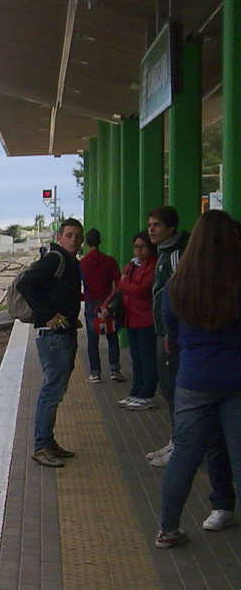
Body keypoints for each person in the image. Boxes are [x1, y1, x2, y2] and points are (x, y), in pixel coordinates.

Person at [154, 210, 241, 547]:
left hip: (193, 380)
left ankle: (168, 529)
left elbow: (170, 333)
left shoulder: (178, 284)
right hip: (236, 380)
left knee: (185, 457)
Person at [17, 218, 84, 468]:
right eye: (69, 235)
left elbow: (59, 293)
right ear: (59, 236)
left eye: (78, 236)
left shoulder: (68, 261)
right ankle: (41, 445)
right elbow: (26, 283)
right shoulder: (55, 259)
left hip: (62, 334)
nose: (74, 240)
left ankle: (48, 442)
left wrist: (68, 316)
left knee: (55, 391)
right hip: (53, 337)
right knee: (51, 391)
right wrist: (49, 315)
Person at [145, 205, 187, 465]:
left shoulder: (175, 255)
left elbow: (181, 293)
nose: (151, 229)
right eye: (150, 224)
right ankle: (176, 440)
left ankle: (181, 445)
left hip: (173, 335)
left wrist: (173, 331)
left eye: (157, 225)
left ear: (171, 228)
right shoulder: (163, 253)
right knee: (168, 388)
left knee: (174, 389)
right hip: (164, 331)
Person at [102, 231, 157, 408]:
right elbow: (120, 288)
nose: (138, 251)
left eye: (142, 247)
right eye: (136, 247)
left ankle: (147, 393)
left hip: (147, 319)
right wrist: (106, 305)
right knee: (136, 358)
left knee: (148, 358)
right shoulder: (132, 266)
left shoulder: (153, 266)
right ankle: (136, 391)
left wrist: (125, 283)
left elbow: (142, 290)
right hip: (131, 318)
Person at [78, 228, 123, 382]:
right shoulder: (109, 261)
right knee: (112, 337)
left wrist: (85, 297)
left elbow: (76, 287)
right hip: (107, 305)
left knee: (92, 340)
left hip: (91, 305)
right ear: (100, 241)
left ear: (86, 242)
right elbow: (119, 284)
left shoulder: (83, 263)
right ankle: (114, 370)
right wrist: (109, 302)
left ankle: (95, 373)